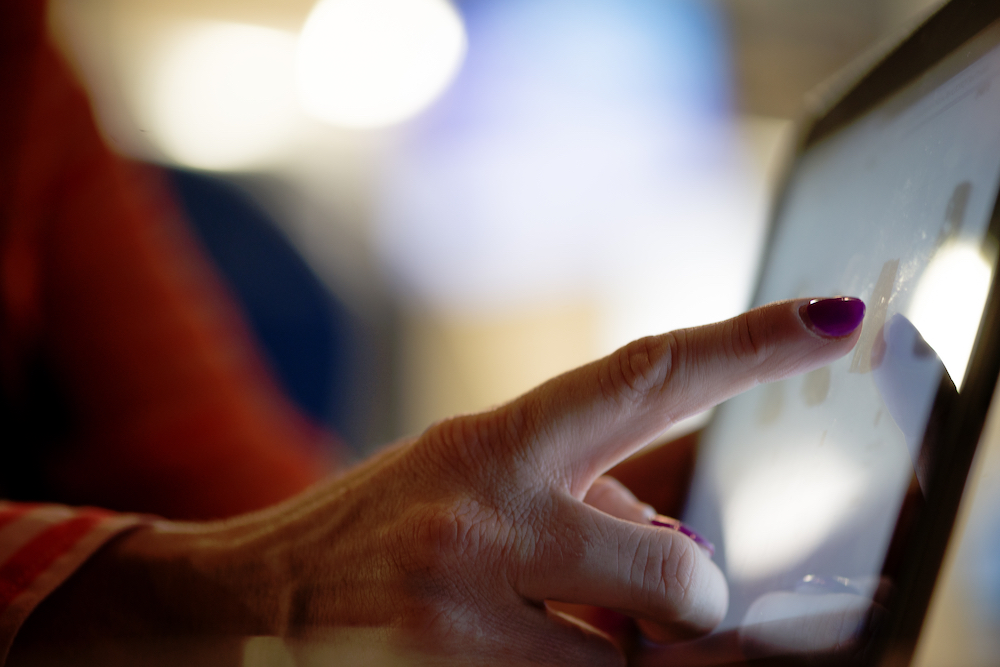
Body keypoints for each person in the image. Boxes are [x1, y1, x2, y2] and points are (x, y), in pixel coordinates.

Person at [0, 1, 866, 664]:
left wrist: (503, 560)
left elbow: (244, 501)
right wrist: (266, 586)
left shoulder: (27, 65)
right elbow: (268, 566)